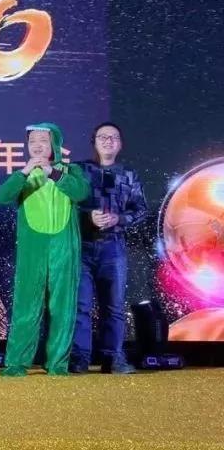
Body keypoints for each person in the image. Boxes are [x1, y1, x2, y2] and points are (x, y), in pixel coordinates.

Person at [0, 122, 89, 377]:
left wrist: (52, 173)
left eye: (43, 141)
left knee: (63, 306)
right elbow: (2, 196)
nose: (37, 146)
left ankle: (57, 363)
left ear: (55, 144)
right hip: (32, 247)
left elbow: (81, 192)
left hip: (64, 246)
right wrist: (25, 172)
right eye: (32, 141)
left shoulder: (71, 170)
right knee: (27, 303)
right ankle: (17, 362)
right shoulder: (24, 174)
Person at [70, 122, 148, 374]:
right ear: (94, 142)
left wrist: (119, 219)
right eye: (103, 137)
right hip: (81, 247)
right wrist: (87, 217)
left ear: (120, 144)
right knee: (80, 306)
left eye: (113, 137)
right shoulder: (79, 171)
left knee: (114, 306)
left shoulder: (129, 174)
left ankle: (113, 358)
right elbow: (64, 205)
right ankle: (79, 358)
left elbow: (141, 209)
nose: (108, 141)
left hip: (113, 248)